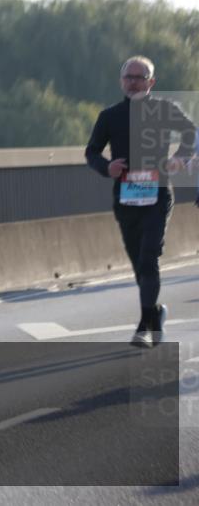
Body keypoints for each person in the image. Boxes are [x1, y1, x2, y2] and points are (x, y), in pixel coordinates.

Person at [85, 55, 196, 348]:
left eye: (139, 77)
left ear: (151, 82)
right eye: (128, 77)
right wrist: (105, 166)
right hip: (125, 199)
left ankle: (144, 327)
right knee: (139, 266)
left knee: (149, 258)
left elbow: (191, 133)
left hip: (158, 194)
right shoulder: (109, 116)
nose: (133, 82)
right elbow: (92, 152)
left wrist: (181, 157)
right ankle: (155, 313)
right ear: (121, 81)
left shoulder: (164, 109)